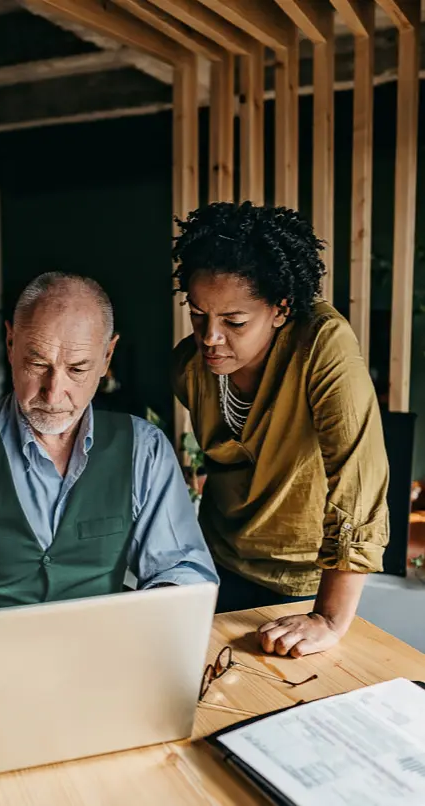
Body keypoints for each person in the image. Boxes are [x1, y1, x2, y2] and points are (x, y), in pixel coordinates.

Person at [0, 272, 217, 637]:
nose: (53, 391)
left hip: (99, 666)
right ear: (11, 342)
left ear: (107, 356)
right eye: (38, 364)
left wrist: (164, 610)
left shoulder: (145, 451)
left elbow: (183, 571)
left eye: (77, 369)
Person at [171, 201, 389, 658]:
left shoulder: (321, 346)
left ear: (280, 309)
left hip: (303, 581)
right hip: (217, 562)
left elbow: (359, 483)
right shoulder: (190, 367)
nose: (209, 337)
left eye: (234, 322)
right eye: (197, 314)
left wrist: (329, 619)